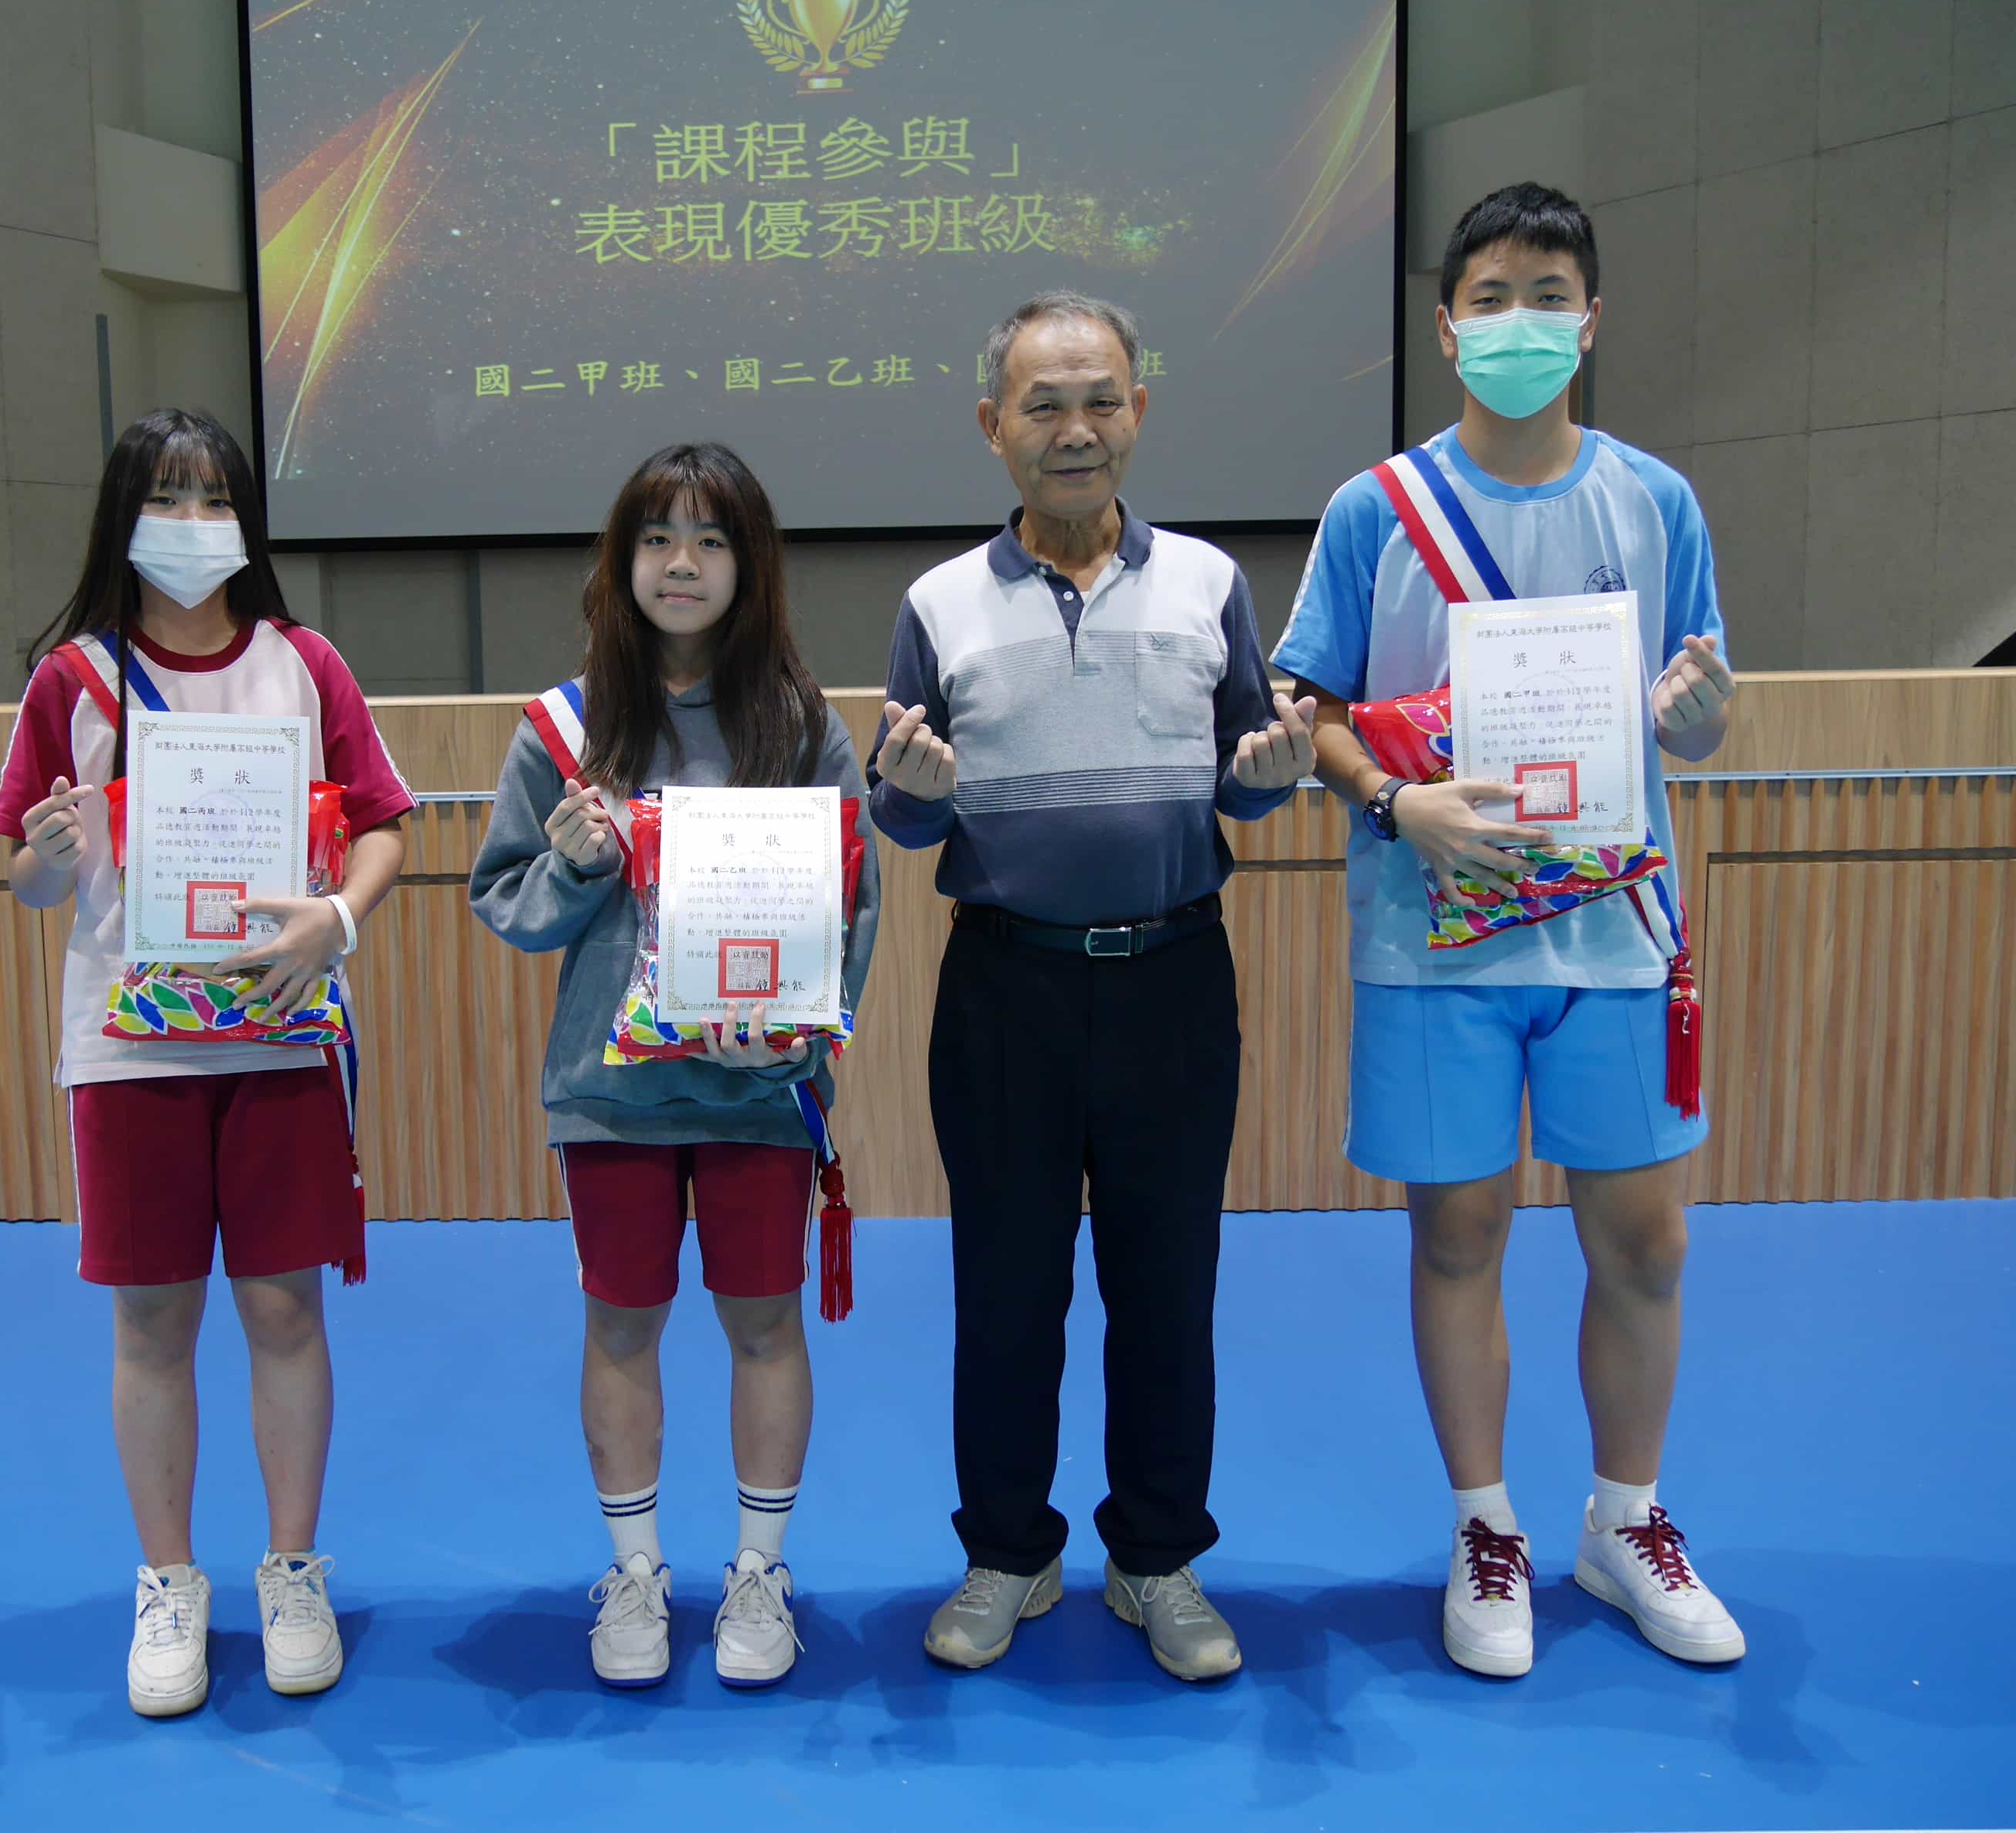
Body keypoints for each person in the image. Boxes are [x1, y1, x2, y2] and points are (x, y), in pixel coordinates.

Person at [1271, 183, 1745, 1678]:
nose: (1519, 322)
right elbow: (1311, 708)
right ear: (1447, 326)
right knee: (1459, 1231)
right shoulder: (1377, 508)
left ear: (1590, 323)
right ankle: (1486, 1529)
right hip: (1435, 940)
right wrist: (1387, 799)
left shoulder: (1654, 502)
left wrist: (1704, 714)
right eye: (1493, 297)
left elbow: (1699, 707)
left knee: (1647, 1241)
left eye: (1549, 295)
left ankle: (1625, 1520)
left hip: (1617, 934)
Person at [871, 292, 1312, 1681]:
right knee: (1005, 1291)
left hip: (1175, 981)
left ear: (1140, 411)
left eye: (1101, 400)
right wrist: (910, 795)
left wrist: (1274, 779)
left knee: (1168, 1288)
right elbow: (906, 815)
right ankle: (1008, 1553)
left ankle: (1156, 1558)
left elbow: (1248, 772)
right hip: (1005, 991)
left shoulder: (1211, 584)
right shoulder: (937, 603)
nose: (1077, 430)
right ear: (991, 424)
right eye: (1044, 404)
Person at [0, 408, 414, 1716]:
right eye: (164, 498)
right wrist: (52, 855)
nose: (190, 523)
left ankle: (291, 1570)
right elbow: (23, 876)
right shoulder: (73, 680)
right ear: (122, 518)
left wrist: (338, 917)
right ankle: (170, 1582)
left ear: (245, 517)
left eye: (212, 496)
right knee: (153, 1319)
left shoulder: (305, 662)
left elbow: (385, 825)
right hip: (130, 1056)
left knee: (284, 1310)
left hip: (282, 1040)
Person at [469, 442, 881, 1690]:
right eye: (657, 539)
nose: (682, 563)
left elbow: (853, 902)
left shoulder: (800, 726)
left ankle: (759, 1572)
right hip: (613, 1098)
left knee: (764, 1321)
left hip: (759, 1094)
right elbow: (508, 905)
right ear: (622, 562)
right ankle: (637, 1574)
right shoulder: (564, 728)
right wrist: (575, 861)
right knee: (621, 1322)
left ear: (751, 565)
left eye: (710, 539)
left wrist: (808, 1027)